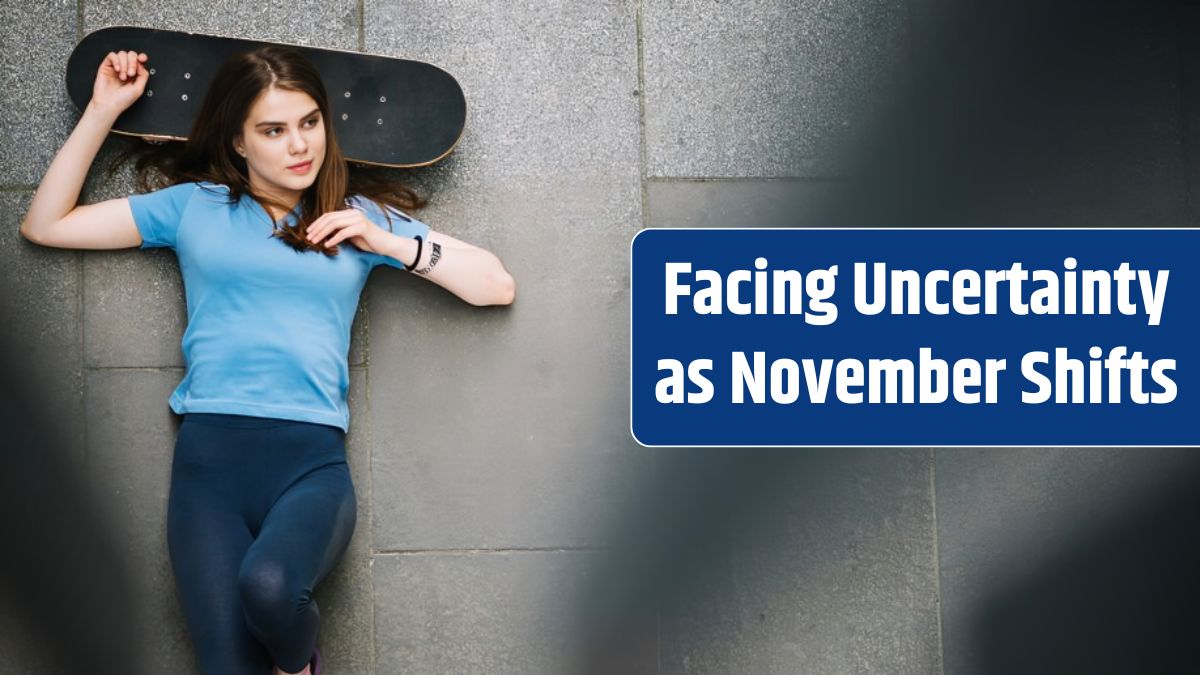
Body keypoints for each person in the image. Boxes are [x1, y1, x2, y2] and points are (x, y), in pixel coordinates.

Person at [20, 46, 515, 675]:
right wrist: (102, 110)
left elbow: (496, 285)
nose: (298, 145)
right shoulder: (194, 206)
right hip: (209, 473)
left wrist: (391, 242)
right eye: (274, 131)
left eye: (309, 122)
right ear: (238, 142)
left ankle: (297, 665)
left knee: (273, 588)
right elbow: (46, 224)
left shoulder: (354, 219)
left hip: (309, 466)